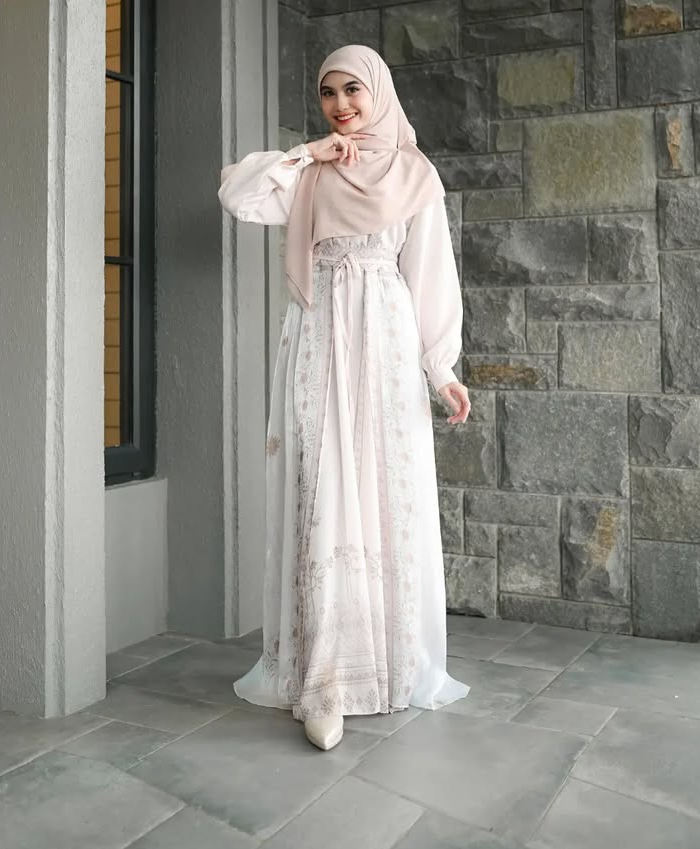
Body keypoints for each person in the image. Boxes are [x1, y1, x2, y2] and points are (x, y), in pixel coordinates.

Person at [218, 44, 471, 752]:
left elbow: (430, 276)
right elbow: (237, 194)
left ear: (378, 92)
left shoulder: (415, 174)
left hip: (384, 344)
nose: (341, 106)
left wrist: (441, 370)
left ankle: (386, 665)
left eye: (353, 90)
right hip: (318, 340)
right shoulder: (310, 172)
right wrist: (308, 153)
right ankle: (323, 679)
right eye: (328, 93)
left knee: (383, 495)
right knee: (321, 487)